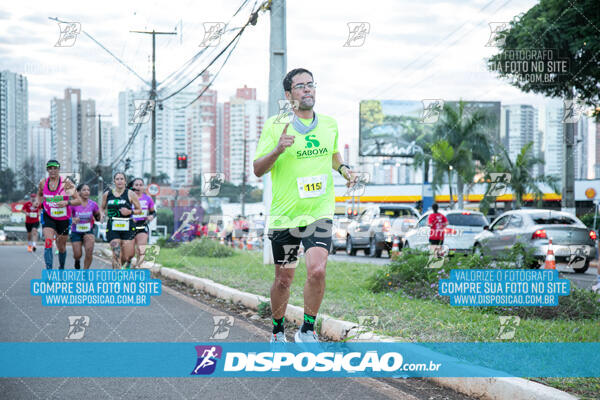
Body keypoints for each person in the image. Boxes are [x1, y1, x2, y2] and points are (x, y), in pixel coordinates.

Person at [253, 68, 357, 343]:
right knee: (284, 279)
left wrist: (344, 169)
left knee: (317, 270)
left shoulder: (330, 124)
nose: (308, 89)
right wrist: (277, 149)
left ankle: (307, 330)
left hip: (318, 212)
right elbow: (257, 170)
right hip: (285, 217)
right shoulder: (275, 125)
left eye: (311, 84)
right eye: (300, 86)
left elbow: (332, 155)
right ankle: (277, 331)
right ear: (289, 95)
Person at [36, 160, 81, 269]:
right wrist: (39, 202)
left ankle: (61, 267)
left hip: (63, 218)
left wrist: (67, 202)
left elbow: (78, 200)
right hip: (48, 216)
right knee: (48, 241)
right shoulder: (43, 182)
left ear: (59, 170)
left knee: (61, 247)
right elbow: (40, 194)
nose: (52, 170)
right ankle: (49, 271)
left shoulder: (66, 184)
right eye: (50, 168)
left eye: (55, 168)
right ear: (47, 170)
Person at [101, 172, 141, 269]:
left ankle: (117, 267)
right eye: (117, 179)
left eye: (122, 179)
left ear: (125, 181)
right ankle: (117, 278)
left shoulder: (130, 194)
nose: (119, 181)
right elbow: (102, 207)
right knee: (116, 252)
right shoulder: (107, 194)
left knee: (127, 256)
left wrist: (129, 212)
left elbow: (139, 210)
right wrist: (102, 214)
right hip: (113, 225)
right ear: (114, 181)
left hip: (128, 225)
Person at [69, 184, 101, 269]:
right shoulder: (73, 204)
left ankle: (85, 271)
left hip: (88, 231)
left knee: (89, 250)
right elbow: (67, 217)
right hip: (76, 231)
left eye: (88, 190)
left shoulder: (93, 204)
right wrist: (72, 220)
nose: (87, 192)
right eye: (84, 190)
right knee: (77, 254)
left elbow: (97, 217)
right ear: (78, 192)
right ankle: (77, 260)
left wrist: (99, 215)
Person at [127, 178, 156, 268]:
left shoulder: (148, 199)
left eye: (140, 185)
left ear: (143, 187)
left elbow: (153, 212)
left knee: (141, 250)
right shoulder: (128, 198)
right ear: (133, 187)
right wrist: (130, 218)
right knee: (130, 253)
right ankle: (128, 263)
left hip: (142, 226)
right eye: (136, 185)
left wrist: (151, 216)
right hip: (130, 227)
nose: (138, 187)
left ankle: (138, 269)